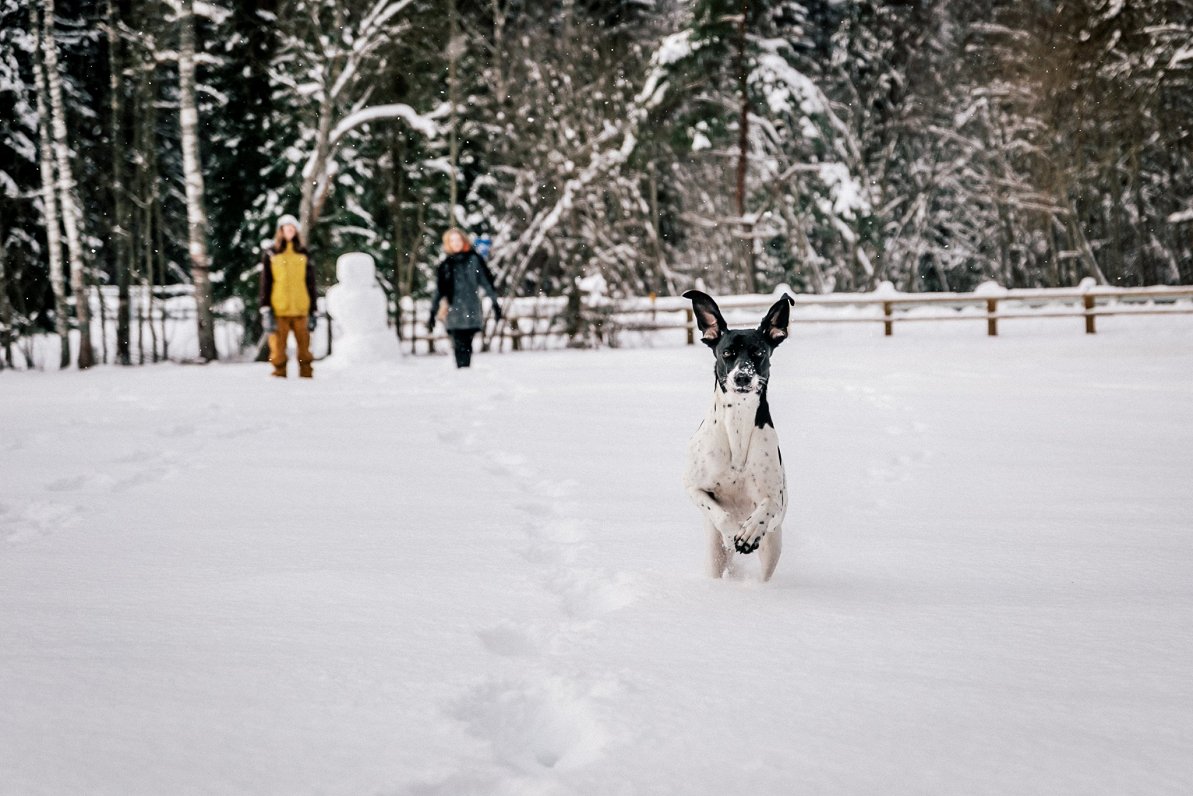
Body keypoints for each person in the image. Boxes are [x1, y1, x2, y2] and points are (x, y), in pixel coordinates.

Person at [428, 227, 501, 368]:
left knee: (467, 344)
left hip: (471, 309)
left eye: (458, 239)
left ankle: (465, 373)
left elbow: (486, 283)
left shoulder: (474, 260)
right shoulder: (446, 265)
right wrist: (433, 311)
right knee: (458, 343)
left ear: (464, 240)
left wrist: (495, 303)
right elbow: (440, 290)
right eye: (452, 240)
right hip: (453, 311)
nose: (455, 243)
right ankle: (461, 373)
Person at [259, 213, 317, 378]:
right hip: (278, 308)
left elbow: (310, 282)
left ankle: (306, 377)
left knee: (305, 349)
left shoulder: (304, 253)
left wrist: (313, 309)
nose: (290, 232)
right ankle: (279, 376)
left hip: (301, 308)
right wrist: (265, 307)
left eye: (293, 229)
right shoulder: (271, 254)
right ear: (281, 231)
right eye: (287, 229)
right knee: (277, 349)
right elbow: (266, 282)